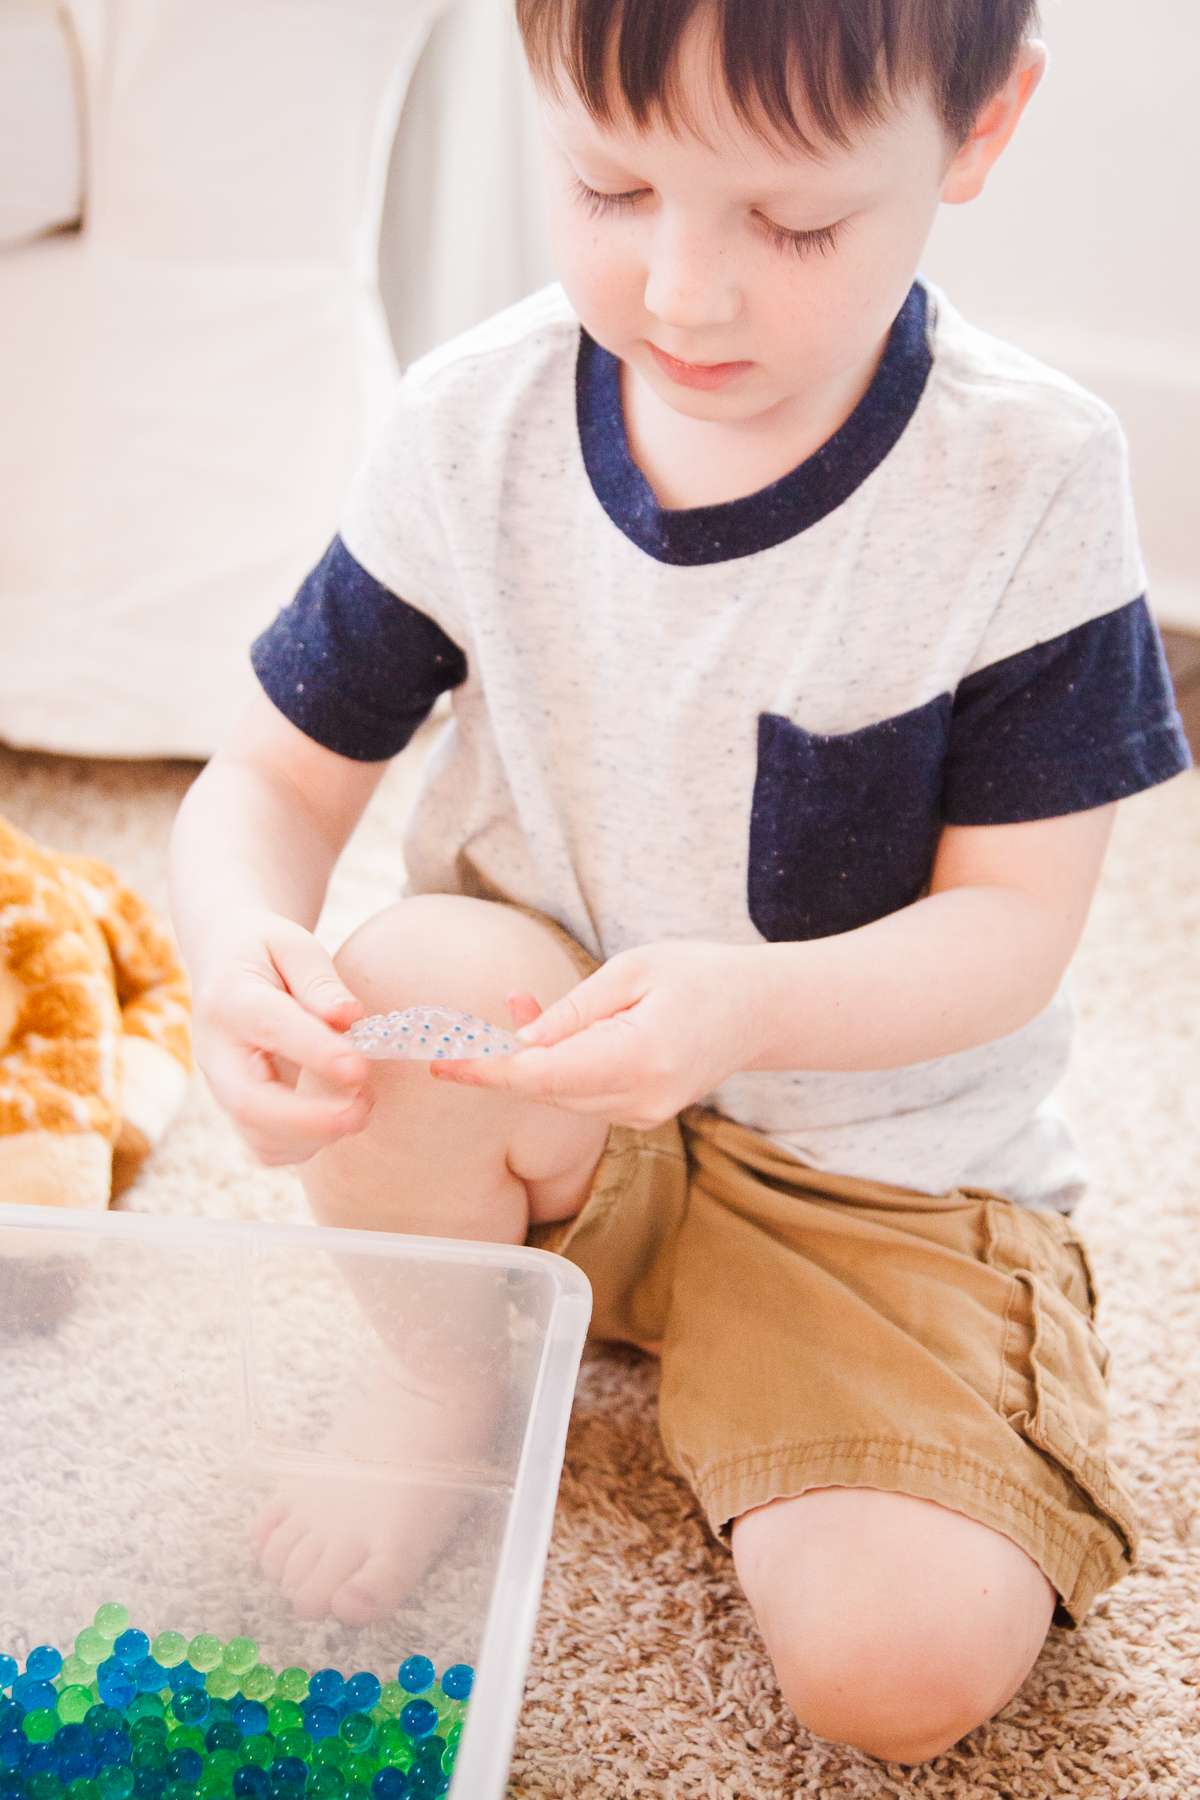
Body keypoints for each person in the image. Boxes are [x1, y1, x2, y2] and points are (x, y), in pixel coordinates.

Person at [169, 0, 1190, 1764]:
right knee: (404, 968)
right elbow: (266, 779)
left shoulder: (1030, 476)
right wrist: (235, 948)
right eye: (609, 184)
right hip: (541, 1086)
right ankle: (447, 1376)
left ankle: (778, 1382)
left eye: (793, 223)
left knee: (898, 1679)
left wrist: (757, 1007)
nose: (686, 292)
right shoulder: (470, 419)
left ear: (977, 128)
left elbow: (1016, 929)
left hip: (879, 1176)